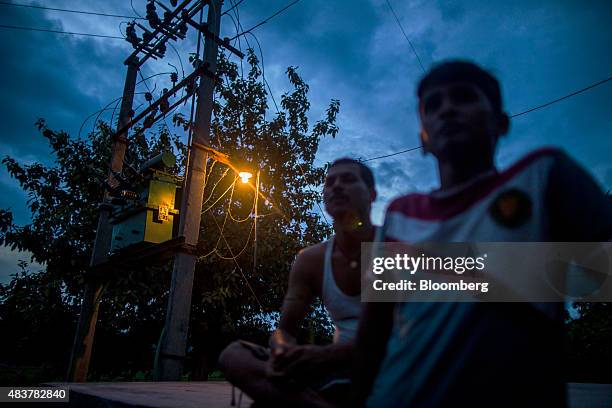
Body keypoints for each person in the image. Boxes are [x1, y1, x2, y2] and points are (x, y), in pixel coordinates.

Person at [351, 61, 612, 407]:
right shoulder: (400, 213)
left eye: (464, 97)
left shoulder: (544, 175)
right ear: (423, 139)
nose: (448, 109)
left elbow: (601, 274)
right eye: (433, 104)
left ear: (501, 123)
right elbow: (373, 336)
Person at [219, 158, 378, 407]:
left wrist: (327, 356)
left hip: (382, 365)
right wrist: (282, 351)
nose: (336, 186)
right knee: (234, 355)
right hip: (332, 371)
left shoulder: (390, 248)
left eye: (348, 179)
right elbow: (285, 330)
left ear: (371, 194)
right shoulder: (311, 259)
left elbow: (398, 337)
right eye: (330, 182)